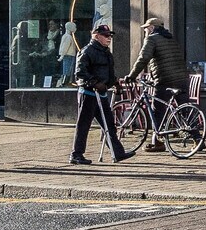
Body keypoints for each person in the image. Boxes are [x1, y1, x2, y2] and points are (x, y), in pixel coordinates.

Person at [71, 22, 135, 165]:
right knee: (83, 125)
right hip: (89, 94)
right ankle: (76, 155)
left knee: (109, 125)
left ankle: (117, 153)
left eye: (110, 35)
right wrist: (95, 83)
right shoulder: (87, 51)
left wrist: (115, 83)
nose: (109, 38)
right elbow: (80, 73)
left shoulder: (106, 53)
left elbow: (109, 73)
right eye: (106, 35)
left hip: (102, 95)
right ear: (96, 35)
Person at [124, 16, 188, 150]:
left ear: (152, 28)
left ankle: (157, 142)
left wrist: (131, 76)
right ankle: (197, 138)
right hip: (182, 78)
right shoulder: (170, 38)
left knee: (157, 110)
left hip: (165, 79)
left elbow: (143, 58)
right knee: (185, 109)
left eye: (146, 29)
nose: (145, 32)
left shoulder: (152, 39)